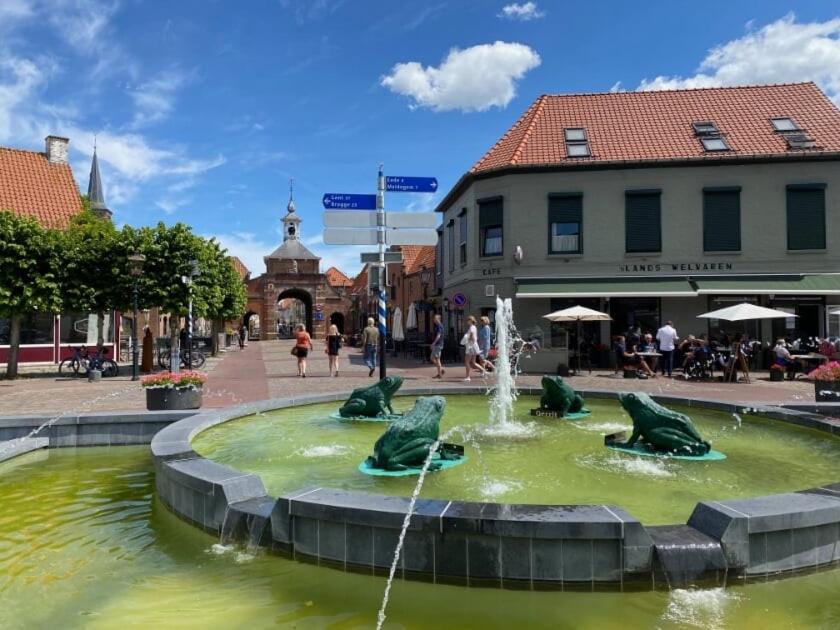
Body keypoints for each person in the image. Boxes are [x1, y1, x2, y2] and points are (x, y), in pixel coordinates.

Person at [461, 315, 485, 382]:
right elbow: (474, 336)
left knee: (467, 362)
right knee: (473, 363)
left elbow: (472, 335)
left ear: (471, 321)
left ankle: (468, 377)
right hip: (474, 346)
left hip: (471, 346)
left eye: (468, 320)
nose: (467, 322)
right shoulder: (474, 327)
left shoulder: (472, 327)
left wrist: (467, 339)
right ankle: (484, 371)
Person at [430, 313, 445, 379]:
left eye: (435, 318)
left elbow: (438, 335)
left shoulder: (439, 326)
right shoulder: (437, 326)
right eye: (434, 318)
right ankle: (441, 370)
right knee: (432, 358)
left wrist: (433, 343)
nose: (434, 319)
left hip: (438, 344)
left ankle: (440, 374)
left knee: (437, 359)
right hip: (437, 344)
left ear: (438, 319)